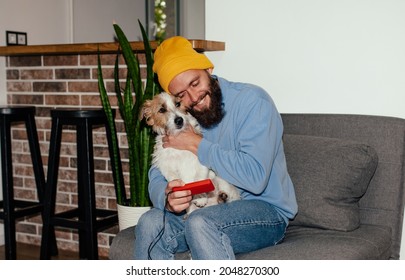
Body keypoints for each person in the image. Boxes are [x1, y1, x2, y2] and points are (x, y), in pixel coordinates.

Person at [134, 36, 297, 260]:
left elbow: (255, 177)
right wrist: (167, 196)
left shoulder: (253, 102)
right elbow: (158, 168)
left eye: (195, 83)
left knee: (201, 223)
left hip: (264, 210)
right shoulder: (183, 115)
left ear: (208, 68)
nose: (194, 98)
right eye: (181, 96)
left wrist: (196, 144)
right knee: (150, 222)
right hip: (203, 207)